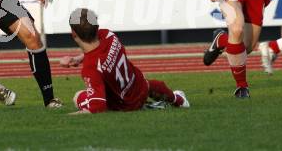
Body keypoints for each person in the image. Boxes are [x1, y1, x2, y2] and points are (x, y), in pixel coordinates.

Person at [59, 8, 189, 114]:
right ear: (96, 27)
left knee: (78, 96)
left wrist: (65, 117)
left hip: (124, 105)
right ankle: (179, 100)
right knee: (151, 85)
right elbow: (97, 51)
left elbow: (98, 106)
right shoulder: (108, 35)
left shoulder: (91, 67)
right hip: (140, 87)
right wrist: (76, 59)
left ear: (73, 34)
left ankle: (151, 107)